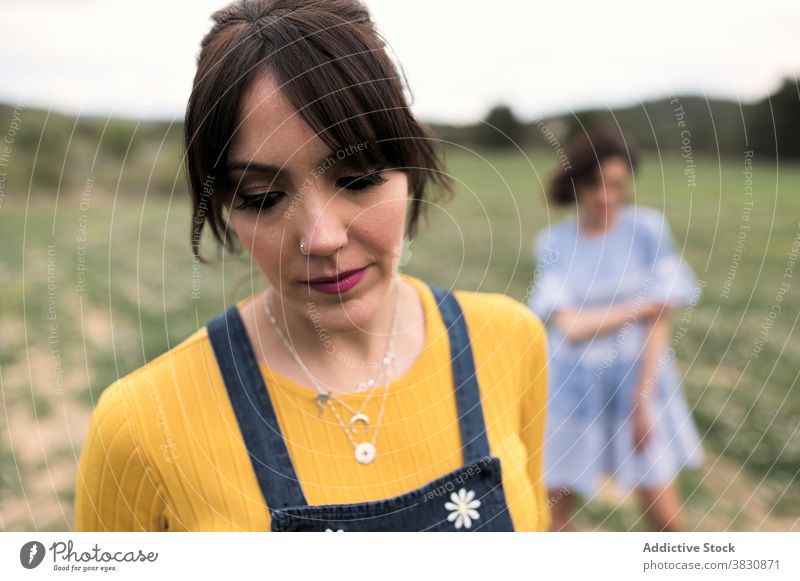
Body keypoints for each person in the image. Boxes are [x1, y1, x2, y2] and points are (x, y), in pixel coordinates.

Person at [74, 0, 549, 532]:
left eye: (358, 177)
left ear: (410, 164)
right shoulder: (142, 426)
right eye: (262, 196)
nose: (321, 238)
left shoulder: (510, 342)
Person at [528, 130, 704, 531]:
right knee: (550, 514)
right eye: (595, 184)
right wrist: (642, 306)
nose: (605, 196)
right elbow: (570, 328)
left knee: (665, 517)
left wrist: (642, 401)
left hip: (638, 385)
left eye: (617, 185)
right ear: (577, 184)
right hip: (572, 388)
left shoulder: (647, 231)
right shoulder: (554, 243)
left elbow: (661, 321)